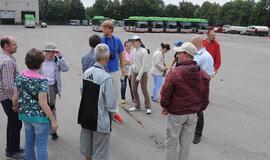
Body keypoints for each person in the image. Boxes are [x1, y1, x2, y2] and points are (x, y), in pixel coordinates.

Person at [160, 42, 210, 160]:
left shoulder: (174, 72)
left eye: (179, 53)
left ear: (186, 55)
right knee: (185, 145)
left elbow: (165, 94)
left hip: (177, 114)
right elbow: (205, 98)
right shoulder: (203, 74)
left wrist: (165, 106)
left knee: (171, 144)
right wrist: (198, 110)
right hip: (192, 114)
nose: (176, 55)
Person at [12, 48, 58, 160]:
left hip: (25, 115)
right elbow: (43, 103)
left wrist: (15, 106)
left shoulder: (20, 77)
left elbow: (15, 98)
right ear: (40, 64)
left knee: (29, 143)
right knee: (41, 146)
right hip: (40, 118)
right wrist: (53, 120)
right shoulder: (42, 80)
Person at [78, 44, 117, 160]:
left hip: (85, 117)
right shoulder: (106, 77)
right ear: (107, 58)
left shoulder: (87, 72)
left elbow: (82, 91)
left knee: (88, 152)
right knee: (100, 154)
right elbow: (111, 105)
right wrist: (111, 116)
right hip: (100, 121)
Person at [0, 36, 24, 159]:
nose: (16, 46)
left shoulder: (5, 57)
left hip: (6, 97)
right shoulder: (8, 61)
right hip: (9, 98)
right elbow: (9, 85)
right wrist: (14, 102)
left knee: (13, 123)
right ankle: (11, 150)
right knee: (15, 123)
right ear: (6, 46)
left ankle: (13, 146)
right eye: (14, 44)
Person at [41, 42, 69, 140]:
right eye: (48, 51)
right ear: (45, 52)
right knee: (42, 108)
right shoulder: (40, 60)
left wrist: (60, 56)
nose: (50, 54)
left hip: (52, 87)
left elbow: (66, 68)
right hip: (41, 87)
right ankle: (42, 130)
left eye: (53, 52)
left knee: (52, 108)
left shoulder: (57, 60)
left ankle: (53, 131)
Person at [191, 35, 214, 144]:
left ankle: (198, 133)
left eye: (192, 44)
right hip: (191, 86)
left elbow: (207, 76)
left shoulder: (206, 57)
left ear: (197, 43)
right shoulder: (195, 54)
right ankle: (191, 130)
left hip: (200, 87)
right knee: (191, 109)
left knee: (199, 110)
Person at [101, 20, 125, 122]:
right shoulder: (100, 40)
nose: (103, 29)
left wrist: (123, 67)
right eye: (103, 27)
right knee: (103, 93)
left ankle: (114, 113)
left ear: (110, 29)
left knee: (115, 92)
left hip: (114, 70)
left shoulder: (118, 40)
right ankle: (103, 112)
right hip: (103, 71)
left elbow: (121, 54)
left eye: (105, 28)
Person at [128, 35, 151, 114]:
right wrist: (129, 73)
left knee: (144, 89)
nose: (132, 43)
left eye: (133, 42)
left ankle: (148, 107)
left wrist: (139, 76)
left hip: (143, 73)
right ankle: (137, 106)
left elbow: (143, 65)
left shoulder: (143, 51)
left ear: (139, 42)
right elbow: (132, 63)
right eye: (132, 42)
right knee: (134, 90)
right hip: (135, 72)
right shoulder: (133, 51)